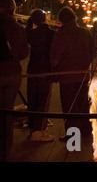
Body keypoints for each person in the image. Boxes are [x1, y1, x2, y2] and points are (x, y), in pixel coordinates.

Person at [50, 6, 95, 141]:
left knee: (70, 107)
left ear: (61, 20)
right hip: (83, 75)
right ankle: (86, 131)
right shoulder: (85, 33)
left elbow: (54, 59)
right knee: (83, 105)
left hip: (67, 77)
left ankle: (73, 139)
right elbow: (92, 52)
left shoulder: (61, 34)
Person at [0, 0, 29, 161]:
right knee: (7, 113)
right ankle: (5, 151)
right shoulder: (18, 28)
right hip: (13, 75)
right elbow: (25, 53)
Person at [25, 9, 55, 142]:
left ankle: (32, 127)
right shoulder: (51, 34)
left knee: (32, 99)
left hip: (32, 70)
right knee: (43, 100)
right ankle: (39, 131)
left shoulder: (30, 33)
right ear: (45, 18)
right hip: (45, 71)